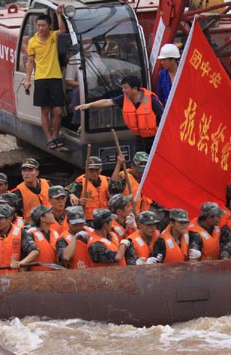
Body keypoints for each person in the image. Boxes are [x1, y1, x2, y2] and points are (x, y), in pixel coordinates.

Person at [75, 75, 164, 152]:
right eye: (123, 87)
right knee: (139, 163)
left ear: (135, 89)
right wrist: (89, 105)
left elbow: (164, 118)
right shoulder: (125, 98)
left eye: (126, 88)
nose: (123, 90)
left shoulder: (151, 100)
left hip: (155, 139)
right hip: (139, 138)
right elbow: (108, 102)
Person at [24, 5, 67, 150]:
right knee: (45, 111)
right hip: (41, 79)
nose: (40, 28)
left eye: (43, 25)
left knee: (58, 111)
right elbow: (30, 62)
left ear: (49, 26)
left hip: (55, 77)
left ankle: (55, 135)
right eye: (38, 25)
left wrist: (59, 15)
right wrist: (28, 80)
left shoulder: (53, 37)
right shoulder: (32, 42)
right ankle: (48, 138)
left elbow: (62, 30)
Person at [65, 156, 112, 221]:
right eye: (91, 170)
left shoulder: (107, 180)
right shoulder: (81, 182)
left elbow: (117, 190)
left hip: (105, 219)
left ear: (101, 169)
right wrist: (72, 195)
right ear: (86, 169)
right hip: (88, 220)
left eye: (97, 170)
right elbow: (65, 192)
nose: (94, 173)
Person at [27, 205, 59, 270]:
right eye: (49, 213)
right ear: (42, 218)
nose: (52, 214)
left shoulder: (55, 233)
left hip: (54, 275)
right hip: (36, 275)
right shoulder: (31, 233)